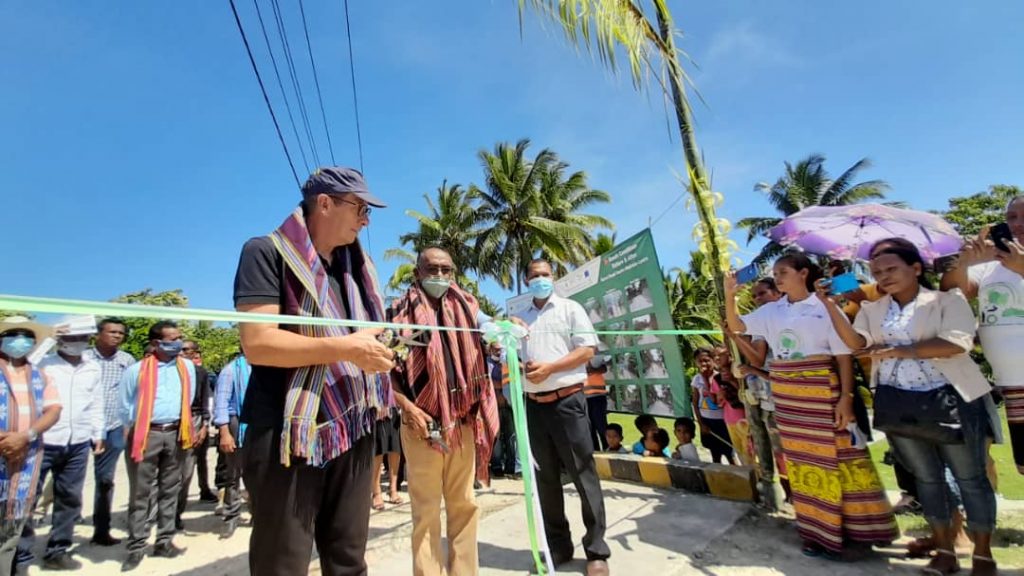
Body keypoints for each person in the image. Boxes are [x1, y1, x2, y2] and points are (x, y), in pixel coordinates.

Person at [233, 166, 396, 576]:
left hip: (353, 425)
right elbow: (258, 344)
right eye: (360, 207)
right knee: (282, 562)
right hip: (288, 435)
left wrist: (379, 347)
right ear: (324, 203)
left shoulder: (357, 269)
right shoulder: (266, 253)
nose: (366, 219)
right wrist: (346, 348)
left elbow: (362, 337)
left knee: (348, 559)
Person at [822, 238, 997, 576]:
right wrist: (830, 305)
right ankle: (944, 551)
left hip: (953, 399)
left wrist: (899, 350)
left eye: (891, 269)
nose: (884, 276)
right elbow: (858, 343)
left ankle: (983, 556)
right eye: (877, 272)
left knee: (971, 479)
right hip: (898, 401)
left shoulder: (947, 299)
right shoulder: (872, 309)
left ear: (916, 268)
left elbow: (956, 343)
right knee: (928, 481)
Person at [725, 253, 897, 560]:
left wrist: (845, 397)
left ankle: (858, 531)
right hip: (788, 396)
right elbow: (737, 326)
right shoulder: (772, 311)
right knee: (804, 465)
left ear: (803, 272)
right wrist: (729, 295)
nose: (777, 277)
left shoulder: (824, 305)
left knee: (844, 457)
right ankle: (817, 532)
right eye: (775, 273)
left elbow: (844, 355)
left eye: (783, 272)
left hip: (823, 389)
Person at [387, 246, 499, 576]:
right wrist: (407, 407)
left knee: (464, 507)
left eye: (446, 270)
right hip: (422, 427)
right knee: (425, 514)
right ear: (416, 274)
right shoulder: (397, 314)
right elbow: (383, 371)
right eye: (431, 269)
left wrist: (500, 336)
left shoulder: (469, 308)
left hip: (463, 424)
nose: (439, 276)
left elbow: (490, 338)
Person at [514, 258, 609, 576]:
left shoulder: (570, 309)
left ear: (552, 277)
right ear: (526, 280)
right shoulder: (520, 319)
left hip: (567, 402)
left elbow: (587, 350)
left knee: (583, 474)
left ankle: (596, 550)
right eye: (534, 275)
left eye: (545, 275)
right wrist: (518, 364)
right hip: (533, 406)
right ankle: (558, 545)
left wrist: (550, 368)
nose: (540, 279)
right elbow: (511, 356)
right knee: (546, 479)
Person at [941, 195, 1024, 476]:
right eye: (1012, 217)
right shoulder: (991, 265)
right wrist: (964, 263)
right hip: (1011, 381)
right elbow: (954, 289)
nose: (1018, 223)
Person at [16, 321, 103, 571]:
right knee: (28, 498)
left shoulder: (92, 367)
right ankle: (20, 553)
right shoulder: (42, 363)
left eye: (84, 337)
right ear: (62, 338)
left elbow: (95, 402)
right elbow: (25, 361)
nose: (79, 342)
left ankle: (58, 550)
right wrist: (49, 338)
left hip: (77, 440)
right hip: (43, 439)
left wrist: (98, 432)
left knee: (69, 497)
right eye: (74, 337)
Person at [119, 320, 197, 571]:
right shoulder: (137, 370)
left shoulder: (186, 367)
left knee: (170, 489)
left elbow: (190, 397)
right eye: (171, 339)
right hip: (146, 435)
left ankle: (164, 540)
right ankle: (136, 545)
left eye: (178, 338)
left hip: (175, 433)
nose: (177, 343)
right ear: (155, 343)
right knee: (141, 493)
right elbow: (125, 406)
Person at [0, 317, 62, 576]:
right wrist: (6, 440)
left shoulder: (40, 375)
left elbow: (53, 409)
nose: (19, 339)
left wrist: (26, 435)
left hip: (26, 455)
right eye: (12, 334)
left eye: (25, 334)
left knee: (12, 526)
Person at [725, 277, 788, 505]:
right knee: (779, 452)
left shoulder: (792, 313)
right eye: (754, 296)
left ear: (778, 292)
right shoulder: (762, 323)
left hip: (792, 392)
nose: (758, 299)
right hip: (770, 396)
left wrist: (752, 367)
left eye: (762, 294)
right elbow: (757, 358)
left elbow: (756, 362)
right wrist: (734, 336)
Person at [83, 318, 135, 546]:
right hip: (80, 426)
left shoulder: (127, 361)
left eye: (121, 333)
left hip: (113, 426)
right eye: (112, 331)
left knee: (105, 480)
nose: (116, 336)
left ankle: (101, 529)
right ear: (98, 334)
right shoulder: (83, 358)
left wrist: (128, 425)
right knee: (68, 481)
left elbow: (132, 396)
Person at [212, 352, 251, 539]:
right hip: (236, 422)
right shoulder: (230, 371)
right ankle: (231, 516)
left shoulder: (265, 366)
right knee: (233, 474)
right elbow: (221, 404)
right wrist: (225, 433)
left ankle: (257, 514)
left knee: (258, 474)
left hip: (258, 423)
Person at [176, 341, 212, 531]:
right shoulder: (169, 371)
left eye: (186, 350)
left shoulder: (201, 373)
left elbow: (205, 400)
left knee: (186, 470)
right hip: (172, 421)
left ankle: (176, 514)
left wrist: (205, 425)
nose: (182, 352)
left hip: (194, 419)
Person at [689, 348, 734, 465]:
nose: (704, 364)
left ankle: (738, 476)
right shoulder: (696, 379)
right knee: (715, 452)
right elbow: (695, 402)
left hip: (722, 421)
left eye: (707, 360)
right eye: (700, 361)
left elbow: (715, 400)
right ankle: (718, 476)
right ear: (696, 363)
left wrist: (706, 378)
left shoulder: (719, 377)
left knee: (729, 452)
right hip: (707, 421)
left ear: (713, 361)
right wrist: (701, 423)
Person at [710, 346, 753, 467]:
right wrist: (720, 396)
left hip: (744, 418)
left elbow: (746, 392)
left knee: (750, 451)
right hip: (729, 420)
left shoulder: (739, 371)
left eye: (721, 355)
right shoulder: (717, 379)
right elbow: (718, 402)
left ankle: (758, 477)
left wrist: (732, 381)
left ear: (730, 355)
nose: (717, 358)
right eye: (714, 356)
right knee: (740, 451)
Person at [371, 407, 402, 511]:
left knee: (395, 447)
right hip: (377, 402)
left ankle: (393, 489)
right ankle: (376, 492)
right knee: (378, 448)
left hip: (393, 403)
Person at [584, 356, 610, 451]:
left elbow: (603, 369)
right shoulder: (573, 358)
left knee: (601, 426)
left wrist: (590, 369)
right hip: (583, 398)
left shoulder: (593, 356)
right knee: (590, 428)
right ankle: (595, 452)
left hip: (598, 396)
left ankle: (608, 449)